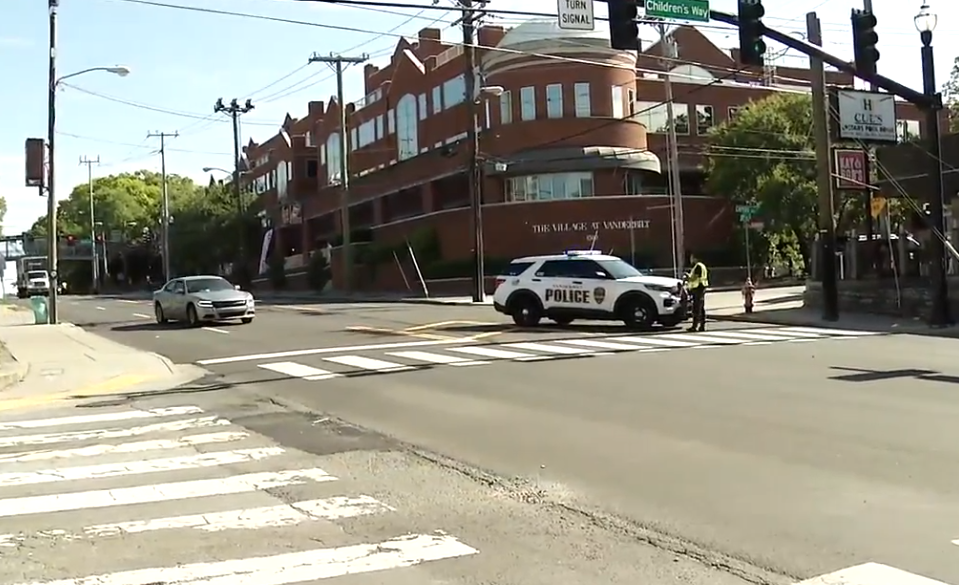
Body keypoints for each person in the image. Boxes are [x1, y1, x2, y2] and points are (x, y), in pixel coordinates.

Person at [686, 252, 709, 332]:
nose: (691, 260)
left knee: (696, 308)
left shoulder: (698, 266)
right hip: (701, 288)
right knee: (701, 308)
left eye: (692, 258)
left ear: (695, 258)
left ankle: (694, 326)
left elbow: (695, 278)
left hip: (698, 288)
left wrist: (688, 277)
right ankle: (701, 326)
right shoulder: (702, 266)